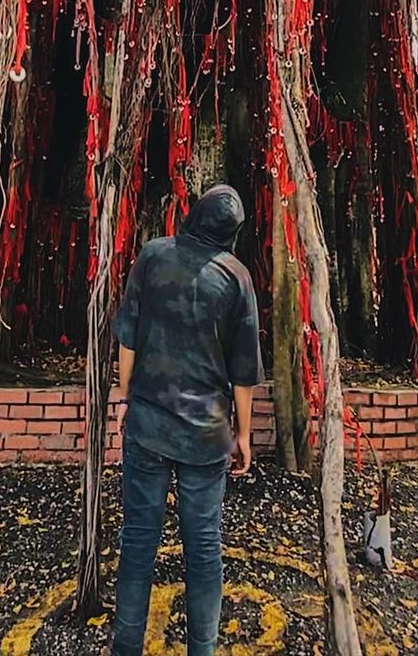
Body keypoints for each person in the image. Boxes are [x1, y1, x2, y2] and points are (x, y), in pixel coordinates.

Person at [111, 184, 264, 656]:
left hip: (148, 425)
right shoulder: (237, 278)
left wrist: (126, 397)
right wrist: (243, 435)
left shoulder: (153, 256)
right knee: (203, 549)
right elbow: (243, 374)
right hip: (206, 435)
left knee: (138, 541)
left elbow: (128, 341)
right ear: (233, 233)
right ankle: (203, 649)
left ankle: (126, 648)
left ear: (194, 213)